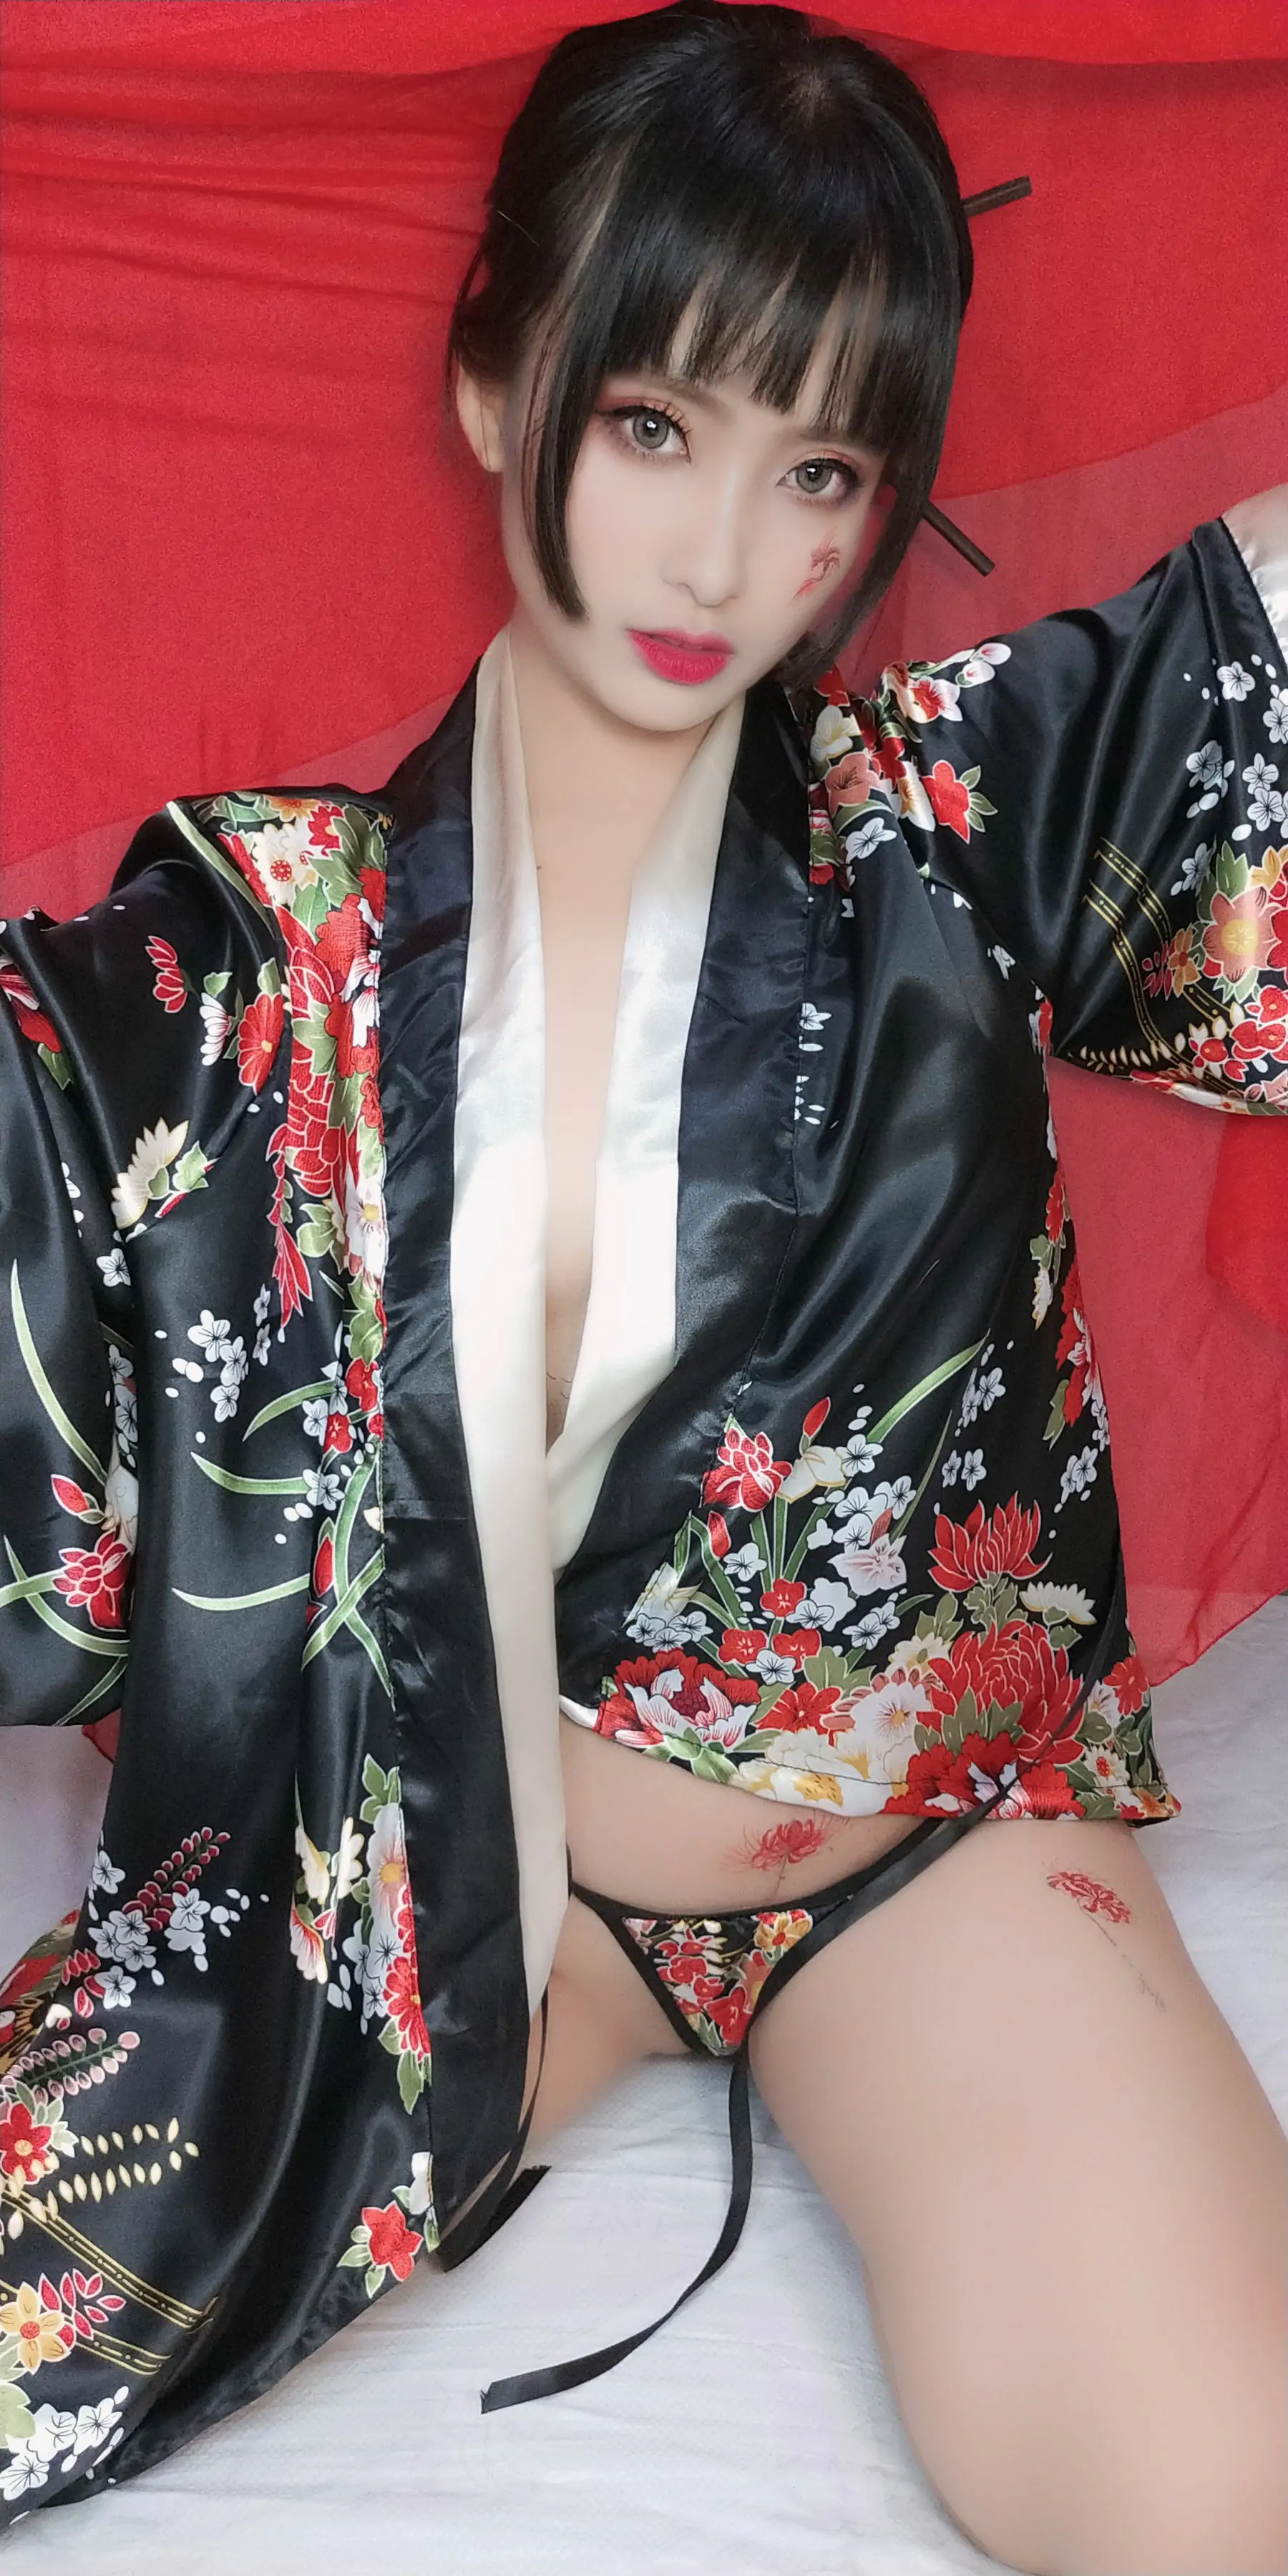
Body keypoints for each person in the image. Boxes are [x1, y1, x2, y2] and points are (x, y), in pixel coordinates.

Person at [0, 4, 1284, 2563]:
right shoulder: (240, 961)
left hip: (919, 1857)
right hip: (437, 1873)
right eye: (653, 427)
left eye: (820, 471)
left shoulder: (952, 820)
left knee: (1227, 2481)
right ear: (497, 386)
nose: (722, 563)